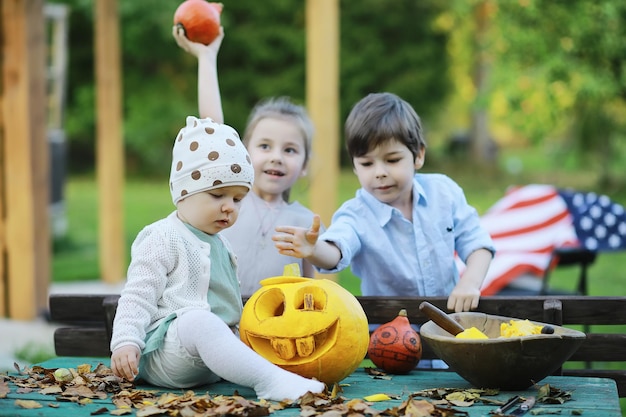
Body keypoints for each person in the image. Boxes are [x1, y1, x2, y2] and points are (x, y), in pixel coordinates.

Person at [110, 116, 325, 401]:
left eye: (238, 199)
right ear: (182, 193)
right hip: (165, 356)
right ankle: (270, 381)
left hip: (208, 363)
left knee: (225, 326)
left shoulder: (221, 243)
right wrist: (126, 341)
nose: (229, 207)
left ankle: (274, 373)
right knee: (200, 320)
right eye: (217, 194)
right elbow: (137, 295)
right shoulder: (162, 236)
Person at [273, 92, 495, 313]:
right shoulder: (356, 214)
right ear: (354, 166)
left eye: (392, 160)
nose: (380, 173)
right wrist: (314, 249)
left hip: (449, 323)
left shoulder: (444, 192)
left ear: (418, 155)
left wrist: (469, 283)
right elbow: (336, 250)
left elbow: (477, 244)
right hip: (387, 333)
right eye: (367, 164)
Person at [173, 26, 320, 297]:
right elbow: (213, 124)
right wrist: (207, 57)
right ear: (243, 152)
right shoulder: (229, 201)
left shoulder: (304, 221)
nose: (276, 156)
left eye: (289, 150)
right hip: (216, 317)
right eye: (265, 146)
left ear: (305, 165)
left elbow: (308, 289)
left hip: (271, 327)